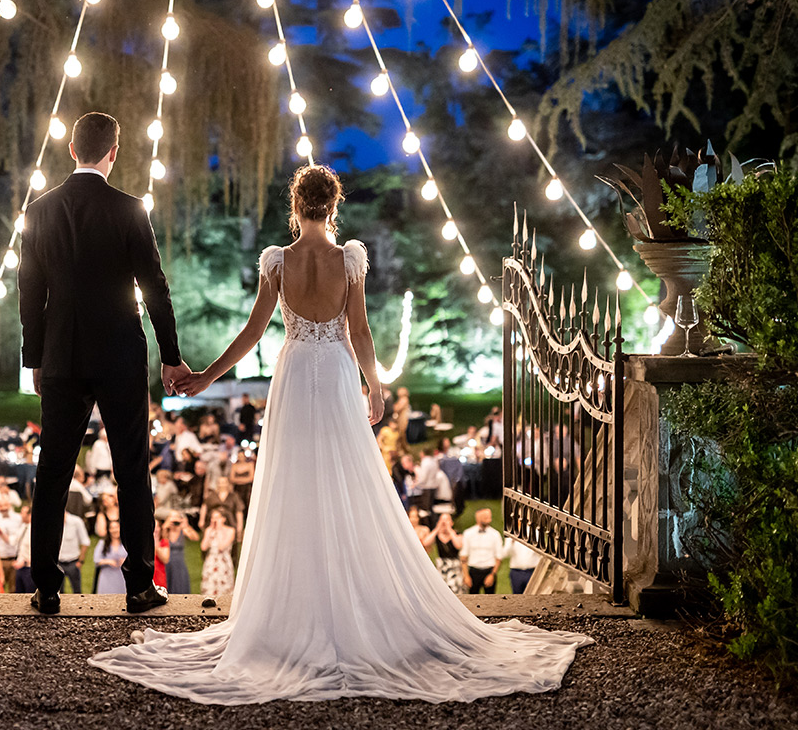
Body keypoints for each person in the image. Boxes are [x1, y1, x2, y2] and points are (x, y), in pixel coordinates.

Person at [89, 163, 591, 704]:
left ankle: (293, 613)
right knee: (349, 484)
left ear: (294, 204)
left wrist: (206, 376)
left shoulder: (277, 262)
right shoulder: (348, 260)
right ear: (334, 205)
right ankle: (345, 605)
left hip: (294, 370)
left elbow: (254, 331)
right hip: (332, 374)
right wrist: (373, 387)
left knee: (294, 487)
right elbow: (360, 330)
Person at [19, 112, 188, 616]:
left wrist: (35, 358)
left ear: (72, 150)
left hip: (63, 357)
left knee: (53, 470)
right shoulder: (131, 209)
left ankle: (46, 587)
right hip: (118, 354)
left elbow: (30, 294)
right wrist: (171, 357)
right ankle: (139, 585)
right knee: (132, 468)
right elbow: (154, 287)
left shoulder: (40, 210)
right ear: (113, 152)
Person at [461, 507, 504, 595]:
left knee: (491, 600)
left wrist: (492, 574)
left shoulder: (495, 535)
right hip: (474, 571)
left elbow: (499, 557)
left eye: (489, 517)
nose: (489, 519)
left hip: (489, 570)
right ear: (478, 518)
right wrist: (466, 576)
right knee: (472, 599)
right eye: (486, 517)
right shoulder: (468, 533)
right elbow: (463, 556)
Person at [200, 508, 236, 597]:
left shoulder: (230, 530)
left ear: (224, 519)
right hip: (211, 562)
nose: (215, 520)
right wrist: (209, 532)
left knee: (224, 589)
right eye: (213, 518)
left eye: (217, 518)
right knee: (210, 589)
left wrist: (219, 530)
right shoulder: (209, 530)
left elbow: (221, 547)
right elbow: (203, 547)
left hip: (223, 562)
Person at [162, 509, 198, 594]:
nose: (174, 519)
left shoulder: (182, 530)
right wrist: (165, 527)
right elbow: (162, 541)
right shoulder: (166, 530)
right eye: (172, 517)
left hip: (179, 564)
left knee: (180, 584)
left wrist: (186, 526)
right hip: (167, 563)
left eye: (176, 517)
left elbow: (195, 538)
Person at [199, 476, 244, 543]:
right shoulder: (212, 495)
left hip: (229, 522)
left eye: (224, 482)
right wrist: (201, 520)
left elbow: (239, 511)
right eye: (220, 482)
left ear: (228, 483)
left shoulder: (234, 496)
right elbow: (204, 506)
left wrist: (240, 525)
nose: (222, 484)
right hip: (213, 522)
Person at [428, 512, 465, 593]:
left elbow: (458, 545)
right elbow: (426, 542)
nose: (444, 523)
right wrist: (437, 528)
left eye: (447, 520)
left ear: (452, 522)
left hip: (454, 566)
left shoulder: (456, 534)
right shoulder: (437, 535)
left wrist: (449, 529)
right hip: (442, 566)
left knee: (455, 589)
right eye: (442, 520)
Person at [58, 509, 90, 595]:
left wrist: (80, 561)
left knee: (77, 591)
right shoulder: (53, 523)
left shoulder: (76, 521)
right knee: (58, 591)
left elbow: (85, 541)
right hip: (58, 563)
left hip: (73, 562)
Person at [94, 520, 129, 594]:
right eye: (112, 528)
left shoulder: (126, 544)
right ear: (109, 530)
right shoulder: (103, 543)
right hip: (107, 577)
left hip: (122, 578)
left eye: (117, 527)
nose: (115, 530)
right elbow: (96, 560)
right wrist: (108, 561)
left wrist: (126, 561)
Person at [12, 505, 35, 594]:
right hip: (20, 567)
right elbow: (14, 541)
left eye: (23, 513)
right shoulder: (23, 527)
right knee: (19, 594)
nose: (21, 515)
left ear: (30, 515)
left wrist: (25, 562)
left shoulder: (36, 530)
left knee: (29, 594)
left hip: (30, 569)